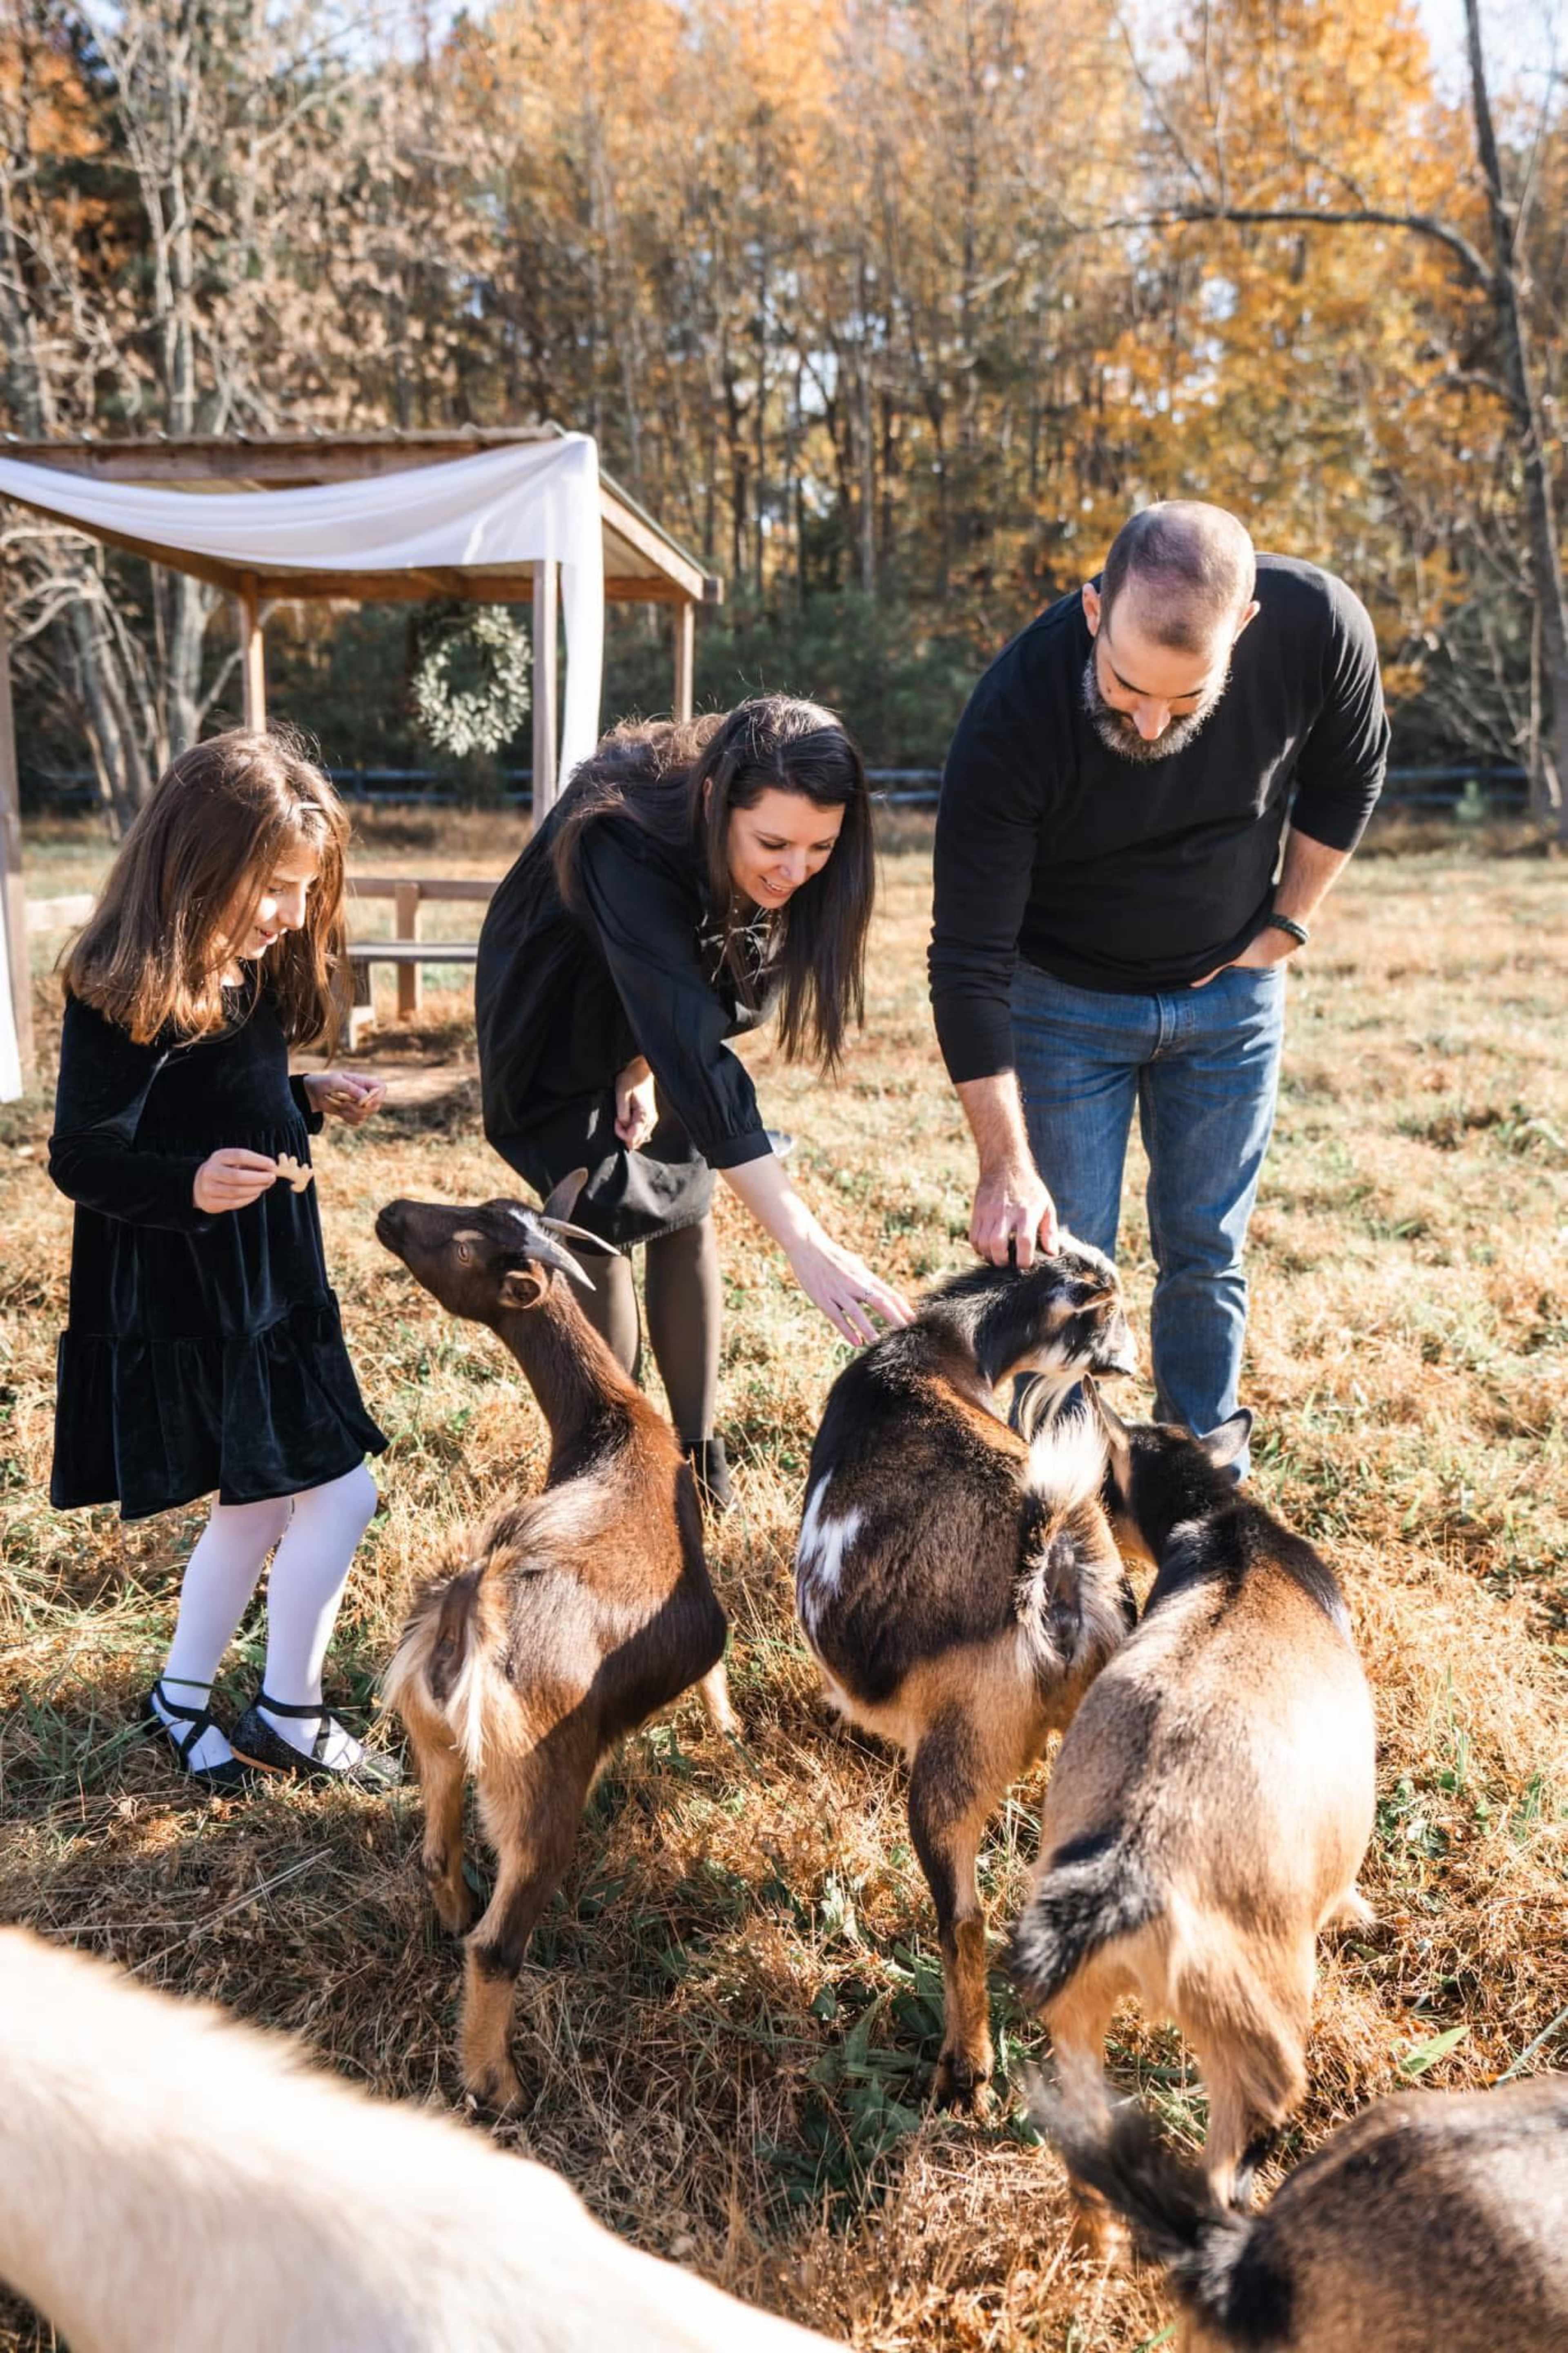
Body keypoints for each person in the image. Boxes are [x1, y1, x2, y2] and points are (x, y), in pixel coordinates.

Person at [930, 502, 1388, 1472]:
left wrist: (1287, 922)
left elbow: (1352, 774)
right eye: (1127, 686)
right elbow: (968, 953)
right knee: (1061, 1262)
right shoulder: (1015, 709)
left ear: (1246, 629)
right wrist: (1003, 1161)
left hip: (1231, 1003)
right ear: (1095, 611)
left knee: (1207, 1247)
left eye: (1184, 702)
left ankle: (1197, 1464)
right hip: (1061, 1004)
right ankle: (1059, 1483)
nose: (1146, 721)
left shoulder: (1318, 626)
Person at [48, 729, 398, 1792]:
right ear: (199, 864)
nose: (293, 913)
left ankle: (184, 1697)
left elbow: (227, 1100)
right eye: (275, 887)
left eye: (304, 888)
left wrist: (302, 1100)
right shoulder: (120, 982)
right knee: (340, 1496)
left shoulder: (254, 969)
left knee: (259, 1501)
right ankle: (286, 1704)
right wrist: (189, 1185)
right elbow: (83, 1154)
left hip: (275, 1275)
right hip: (197, 1285)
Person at [476, 696, 911, 1510]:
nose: (795, 870)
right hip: (555, 1014)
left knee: (685, 1197)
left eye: (821, 847)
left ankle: (701, 1457)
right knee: (597, 1212)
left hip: (659, 1005)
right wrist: (804, 1241)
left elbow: (688, 1021)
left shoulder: (777, 860)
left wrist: (641, 1061)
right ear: (715, 801)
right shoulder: (621, 835)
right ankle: (621, 1469)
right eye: (774, 844)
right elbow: (678, 1029)